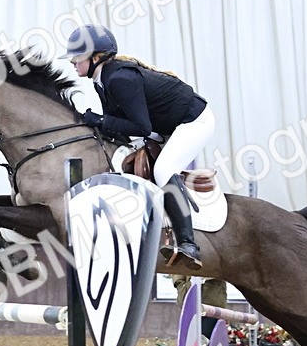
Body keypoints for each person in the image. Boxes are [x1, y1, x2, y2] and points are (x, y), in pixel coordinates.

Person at [64, 24, 215, 270]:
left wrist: (100, 121)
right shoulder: (101, 80)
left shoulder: (119, 79)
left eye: (77, 57)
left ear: (96, 58)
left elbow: (140, 127)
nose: (72, 62)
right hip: (163, 125)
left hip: (194, 120)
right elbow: (121, 126)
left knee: (164, 170)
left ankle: (189, 244)